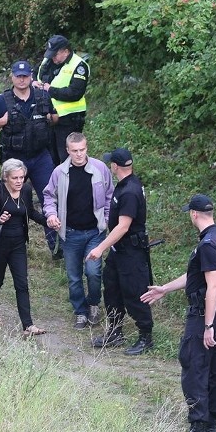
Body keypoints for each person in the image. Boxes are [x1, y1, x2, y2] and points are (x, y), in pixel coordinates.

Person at [141, 194, 216, 432]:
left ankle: (199, 425)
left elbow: (212, 287)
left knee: (195, 366)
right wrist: (165, 289)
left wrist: (208, 325)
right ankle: (213, 418)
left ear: (193, 214)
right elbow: (197, 275)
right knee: (214, 366)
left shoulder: (209, 245)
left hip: (207, 310)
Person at [0, 60, 58, 255]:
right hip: (14, 159)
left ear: (31, 76)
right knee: (5, 200)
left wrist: (49, 119)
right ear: (12, 77)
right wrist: (1, 121)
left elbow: (55, 117)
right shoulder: (2, 101)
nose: (21, 79)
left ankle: (57, 245)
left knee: (50, 198)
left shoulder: (42, 96)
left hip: (40, 157)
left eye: (25, 76)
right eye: (18, 76)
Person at [86, 148, 154, 355]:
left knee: (134, 292)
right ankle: (115, 332)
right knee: (112, 289)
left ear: (115, 166)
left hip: (131, 252)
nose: (109, 166)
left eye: (110, 163)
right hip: (119, 251)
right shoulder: (125, 185)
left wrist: (100, 248)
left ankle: (146, 336)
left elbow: (124, 226)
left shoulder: (130, 191)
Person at [43, 132, 112, 329]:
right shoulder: (59, 172)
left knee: (92, 271)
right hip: (70, 233)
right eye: (75, 151)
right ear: (67, 151)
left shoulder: (100, 169)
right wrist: (51, 215)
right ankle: (80, 311)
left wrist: (107, 219)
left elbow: (109, 195)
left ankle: (93, 304)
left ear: (87, 148)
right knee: (73, 276)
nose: (79, 154)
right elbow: (49, 196)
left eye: (82, 150)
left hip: (95, 231)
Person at [0, 158, 48, 337]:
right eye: (15, 178)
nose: (19, 181)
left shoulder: (26, 190)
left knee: (22, 283)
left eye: (22, 177)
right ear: (5, 177)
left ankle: (28, 325)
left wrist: (48, 221)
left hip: (18, 244)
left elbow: (31, 213)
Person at [34, 35, 89, 166]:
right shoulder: (48, 61)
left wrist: (50, 90)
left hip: (69, 119)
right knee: (49, 154)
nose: (52, 57)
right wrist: (33, 82)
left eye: (55, 54)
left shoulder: (79, 66)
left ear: (66, 51)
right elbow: (36, 73)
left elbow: (75, 93)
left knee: (66, 157)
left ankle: (70, 184)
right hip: (48, 115)